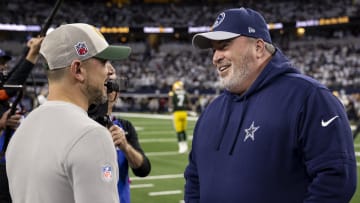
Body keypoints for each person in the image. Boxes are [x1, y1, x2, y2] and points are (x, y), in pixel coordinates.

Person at [184, 8, 357, 203]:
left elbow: (336, 182)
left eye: (224, 46)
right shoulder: (211, 111)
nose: (215, 57)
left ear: (258, 48)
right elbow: (194, 180)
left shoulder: (308, 97)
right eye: (213, 50)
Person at [5, 23, 131, 203]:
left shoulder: (22, 131)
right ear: (78, 70)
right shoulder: (91, 135)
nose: (109, 71)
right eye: (103, 62)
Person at [88, 62, 151, 203]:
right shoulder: (80, 123)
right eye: (105, 84)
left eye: (111, 85)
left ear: (116, 95)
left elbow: (143, 169)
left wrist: (125, 146)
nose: (108, 90)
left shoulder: (124, 126)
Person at [0, 37, 43, 203]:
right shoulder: (4, 95)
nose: (3, 67)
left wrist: (28, 50)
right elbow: (10, 87)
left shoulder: (4, 98)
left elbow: (11, 80)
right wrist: (32, 54)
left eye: (4, 63)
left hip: (13, 165)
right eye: (0, 63)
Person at [168, 80, 191, 153]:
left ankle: (181, 146)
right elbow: (188, 102)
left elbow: (170, 103)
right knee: (184, 130)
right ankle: (185, 145)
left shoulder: (172, 93)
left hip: (177, 113)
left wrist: (170, 109)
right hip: (184, 112)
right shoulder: (185, 93)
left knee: (178, 131)